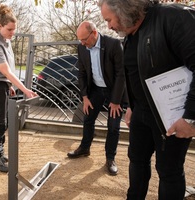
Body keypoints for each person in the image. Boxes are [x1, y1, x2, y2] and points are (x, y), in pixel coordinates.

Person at [98, 0, 195, 199]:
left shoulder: (174, 18)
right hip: (141, 113)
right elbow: (136, 74)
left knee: (169, 170)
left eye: (108, 20)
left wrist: (191, 117)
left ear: (124, 11)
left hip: (172, 117)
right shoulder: (129, 36)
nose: (108, 26)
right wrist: (132, 105)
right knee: (136, 160)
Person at [0, 4, 38, 173]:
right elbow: (6, 71)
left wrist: (9, 85)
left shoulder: (5, 40)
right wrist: (25, 90)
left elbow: (8, 71)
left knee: (2, 121)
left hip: (0, 84)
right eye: (10, 29)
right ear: (0, 26)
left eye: (14, 29)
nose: (13, 33)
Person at [67, 21, 126, 176]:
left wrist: (115, 101)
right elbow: (81, 73)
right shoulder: (82, 48)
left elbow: (121, 74)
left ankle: (110, 158)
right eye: (80, 40)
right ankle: (84, 148)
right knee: (88, 119)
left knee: (113, 126)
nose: (82, 43)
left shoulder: (113, 44)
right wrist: (85, 97)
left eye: (84, 39)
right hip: (95, 90)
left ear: (94, 33)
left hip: (114, 91)